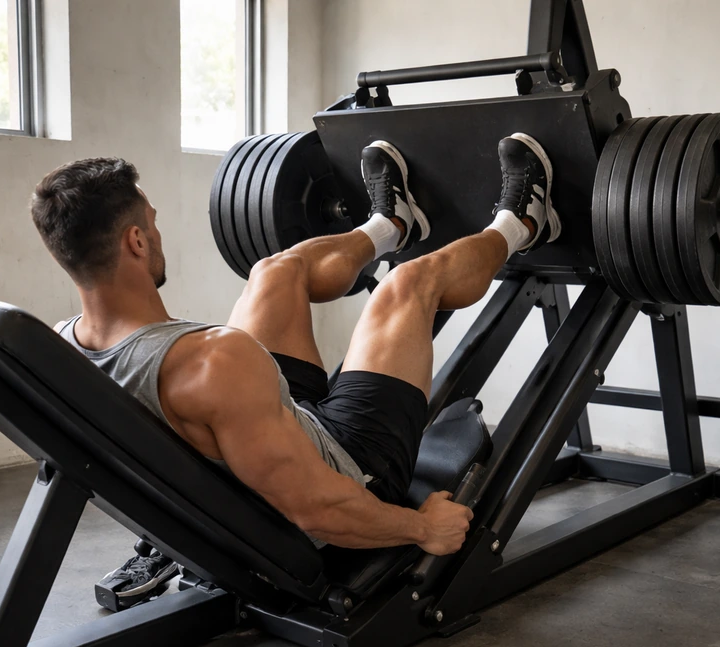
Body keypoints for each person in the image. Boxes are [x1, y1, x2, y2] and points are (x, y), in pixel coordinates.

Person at [30, 133, 561, 601]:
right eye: (152, 222)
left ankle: (392, 224)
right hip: (350, 471)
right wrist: (422, 528)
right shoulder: (213, 362)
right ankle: (525, 221)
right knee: (407, 285)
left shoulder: (58, 351)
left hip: (262, 442)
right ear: (137, 241)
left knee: (275, 272)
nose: (156, 232)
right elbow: (320, 509)